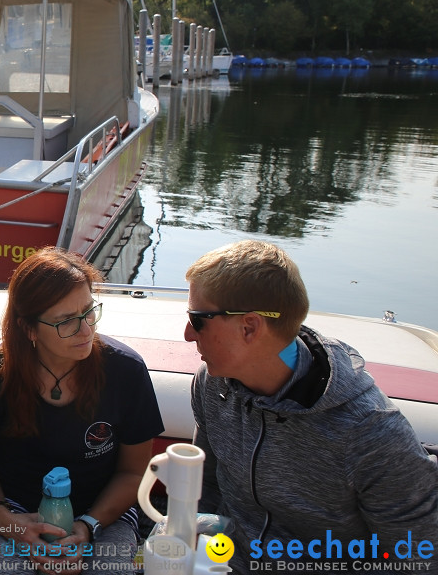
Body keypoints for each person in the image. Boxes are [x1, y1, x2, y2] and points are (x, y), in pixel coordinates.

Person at [185, 240, 438, 571]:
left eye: (198, 319)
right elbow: (206, 485)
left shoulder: (371, 435)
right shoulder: (213, 383)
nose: (189, 334)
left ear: (249, 327)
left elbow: (417, 560)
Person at [0, 247, 164, 573]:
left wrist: (87, 526)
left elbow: (133, 473)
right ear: (28, 328)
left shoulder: (126, 371)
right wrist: (10, 525)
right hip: (7, 507)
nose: (85, 330)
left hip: (101, 510)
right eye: (66, 321)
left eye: (88, 311)